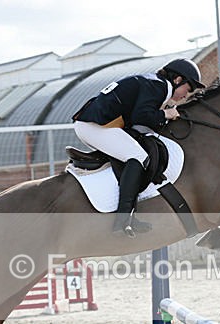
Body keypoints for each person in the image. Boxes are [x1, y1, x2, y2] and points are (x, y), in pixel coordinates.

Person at [72, 58, 204, 237]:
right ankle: (123, 220)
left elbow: (138, 120)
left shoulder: (154, 83)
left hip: (97, 125)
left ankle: (129, 215)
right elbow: (141, 116)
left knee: (134, 153)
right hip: (95, 127)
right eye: (188, 90)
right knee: (139, 157)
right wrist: (166, 114)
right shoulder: (159, 86)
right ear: (178, 79)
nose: (186, 96)